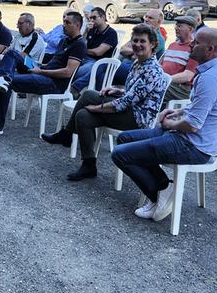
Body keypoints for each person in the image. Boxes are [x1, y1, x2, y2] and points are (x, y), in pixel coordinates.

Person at [111, 28, 217, 222]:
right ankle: (164, 187)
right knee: (124, 138)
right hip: (191, 138)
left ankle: (159, 193)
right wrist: (177, 112)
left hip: (194, 145)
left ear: (210, 48)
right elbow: (201, 107)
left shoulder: (211, 78)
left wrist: (170, 123)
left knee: (120, 154)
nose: (192, 46)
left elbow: (192, 126)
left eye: (196, 43)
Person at [42, 24, 170, 181]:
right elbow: (133, 93)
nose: (137, 44)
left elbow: (125, 103)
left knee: (89, 95)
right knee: (83, 115)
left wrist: (98, 108)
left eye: (142, 41)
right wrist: (115, 91)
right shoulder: (138, 63)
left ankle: (66, 134)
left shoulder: (152, 70)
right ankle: (89, 165)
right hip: (130, 109)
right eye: (134, 40)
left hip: (138, 119)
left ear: (153, 44)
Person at [0, 12, 86, 136]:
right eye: (63, 21)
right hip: (42, 70)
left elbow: (67, 72)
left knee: (8, 83)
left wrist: (41, 71)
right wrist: (40, 67)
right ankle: (4, 78)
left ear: (77, 25)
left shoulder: (79, 45)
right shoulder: (65, 41)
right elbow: (54, 63)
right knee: (12, 54)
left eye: (67, 23)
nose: (63, 25)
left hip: (53, 83)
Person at [97, 9, 166, 89]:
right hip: (125, 66)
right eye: (146, 16)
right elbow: (122, 49)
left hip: (138, 70)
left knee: (103, 65)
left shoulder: (158, 39)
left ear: (159, 21)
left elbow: (140, 57)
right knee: (103, 73)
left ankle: (97, 93)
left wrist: (131, 53)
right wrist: (134, 52)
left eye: (150, 18)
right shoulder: (141, 34)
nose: (146, 19)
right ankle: (101, 94)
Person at [71, 6, 118, 93]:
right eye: (90, 18)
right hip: (85, 58)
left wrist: (82, 50)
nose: (91, 20)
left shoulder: (111, 33)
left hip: (99, 61)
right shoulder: (92, 30)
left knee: (79, 71)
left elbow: (98, 52)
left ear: (103, 18)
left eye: (94, 17)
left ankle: (75, 87)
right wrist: (85, 31)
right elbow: (82, 44)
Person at [159, 15, 198, 106]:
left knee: (153, 88)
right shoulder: (172, 45)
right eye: (176, 25)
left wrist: (164, 80)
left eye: (180, 26)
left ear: (190, 29)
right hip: (166, 83)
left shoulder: (194, 48)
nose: (176, 28)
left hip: (181, 88)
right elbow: (159, 65)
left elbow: (187, 76)